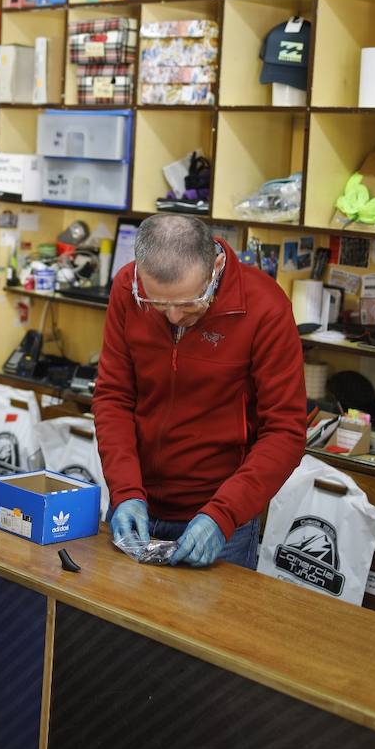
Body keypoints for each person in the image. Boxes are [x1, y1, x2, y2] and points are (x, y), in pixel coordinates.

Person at [94, 214, 306, 569]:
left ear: (216, 265)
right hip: (134, 508)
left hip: (219, 522)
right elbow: (113, 397)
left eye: (190, 303)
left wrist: (223, 514)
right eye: (159, 305)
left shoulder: (265, 308)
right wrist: (125, 490)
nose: (174, 317)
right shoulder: (126, 289)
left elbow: (285, 432)